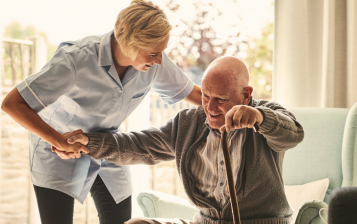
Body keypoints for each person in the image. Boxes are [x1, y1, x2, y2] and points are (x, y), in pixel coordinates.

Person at [1, 0, 202, 224]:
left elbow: (194, 94)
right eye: (154, 54)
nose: (159, 60)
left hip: (108, 148)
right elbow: (13, 103)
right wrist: (58, 140)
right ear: (130, 43)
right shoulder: (76, 59)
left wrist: (239, 106)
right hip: (57, 151)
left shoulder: (154, 63)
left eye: (161, 52)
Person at [65, 56, 305, 224]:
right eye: (206, 96)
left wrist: (259, 118)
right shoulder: (188, 124)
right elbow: (139, 146)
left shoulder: (265, 115)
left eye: (221, 99)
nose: (210, 108)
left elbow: (293, 134)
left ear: (246, 94)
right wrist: (88, 143)